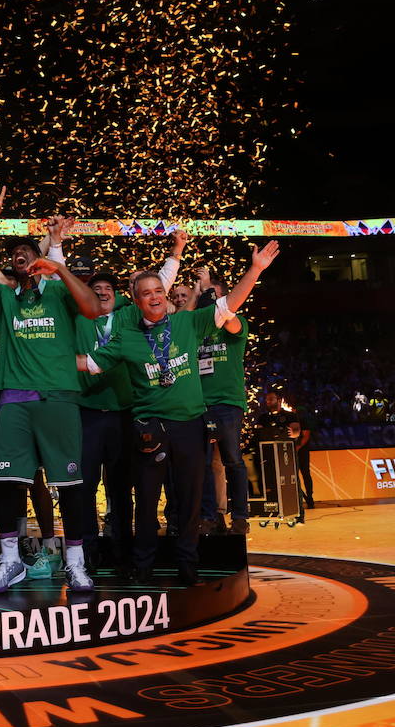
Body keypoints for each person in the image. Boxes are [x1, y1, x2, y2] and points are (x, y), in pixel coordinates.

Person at [84, 241, 279, 586]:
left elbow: (229, 303)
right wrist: (39, 357)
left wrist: (256, 270)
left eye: (159, 290)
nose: (155, 296)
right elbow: (89, 364)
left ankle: (187, 563)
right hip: (150, 428)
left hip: (190, 425)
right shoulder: (126, 337)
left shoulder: (189, 323)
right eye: (146, 293)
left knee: (189, 500)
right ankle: (142, 565)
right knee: (146, 501)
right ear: (136, 299)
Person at [0, 188, 102, 593]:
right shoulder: (5, 297)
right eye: (14, 255)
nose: (20, 256)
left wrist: (61, 270)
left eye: (26, 252)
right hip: (15, 402)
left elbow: (92, 307)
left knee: (70, 486)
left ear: (37, 263)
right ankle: (10, 561)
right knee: (7, 484)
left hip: (57, 398)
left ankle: (75, 563)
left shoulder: (57, 292)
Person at [72, 230, 186, 577]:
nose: (102, 291)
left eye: (108, 288)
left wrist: (176, 251)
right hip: (88, 413)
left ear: (119, 296)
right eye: (96, 288)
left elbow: (159, 287)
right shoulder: (77, 318)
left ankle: (122, 551)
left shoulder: (126, 319)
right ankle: (89, 551)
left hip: (124, 415)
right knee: (85, 487)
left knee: (122, 489)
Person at [196, 270, 250, 535]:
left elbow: (227, 316)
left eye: (215, 295)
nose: (208, 299)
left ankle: (240, 516)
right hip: (198, 405)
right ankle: (210, 516)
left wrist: (209, 290)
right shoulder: (196, 327)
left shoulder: (235, 323)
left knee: (233, 460)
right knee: (203, 465)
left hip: (227, 402)